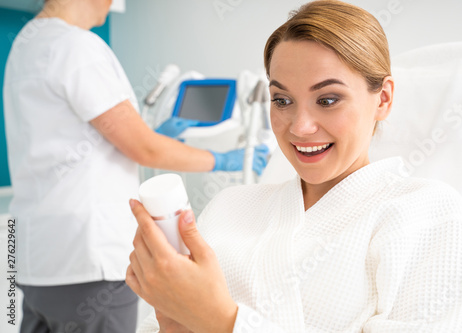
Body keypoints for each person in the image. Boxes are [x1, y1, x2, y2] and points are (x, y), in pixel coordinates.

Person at [126, 0, 462, 332]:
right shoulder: (228, 207)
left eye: (327, 99)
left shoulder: (425, 211)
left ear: (384, 99)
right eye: (282, 100)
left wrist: (223, 322)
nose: (299, 126)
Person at [2, 0, 268, 332]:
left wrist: (152, 138)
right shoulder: (75, 45)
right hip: (88, 259)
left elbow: (77, 142)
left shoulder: (27, 45)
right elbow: (142, 148)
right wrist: (223, 159)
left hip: (37, 263)